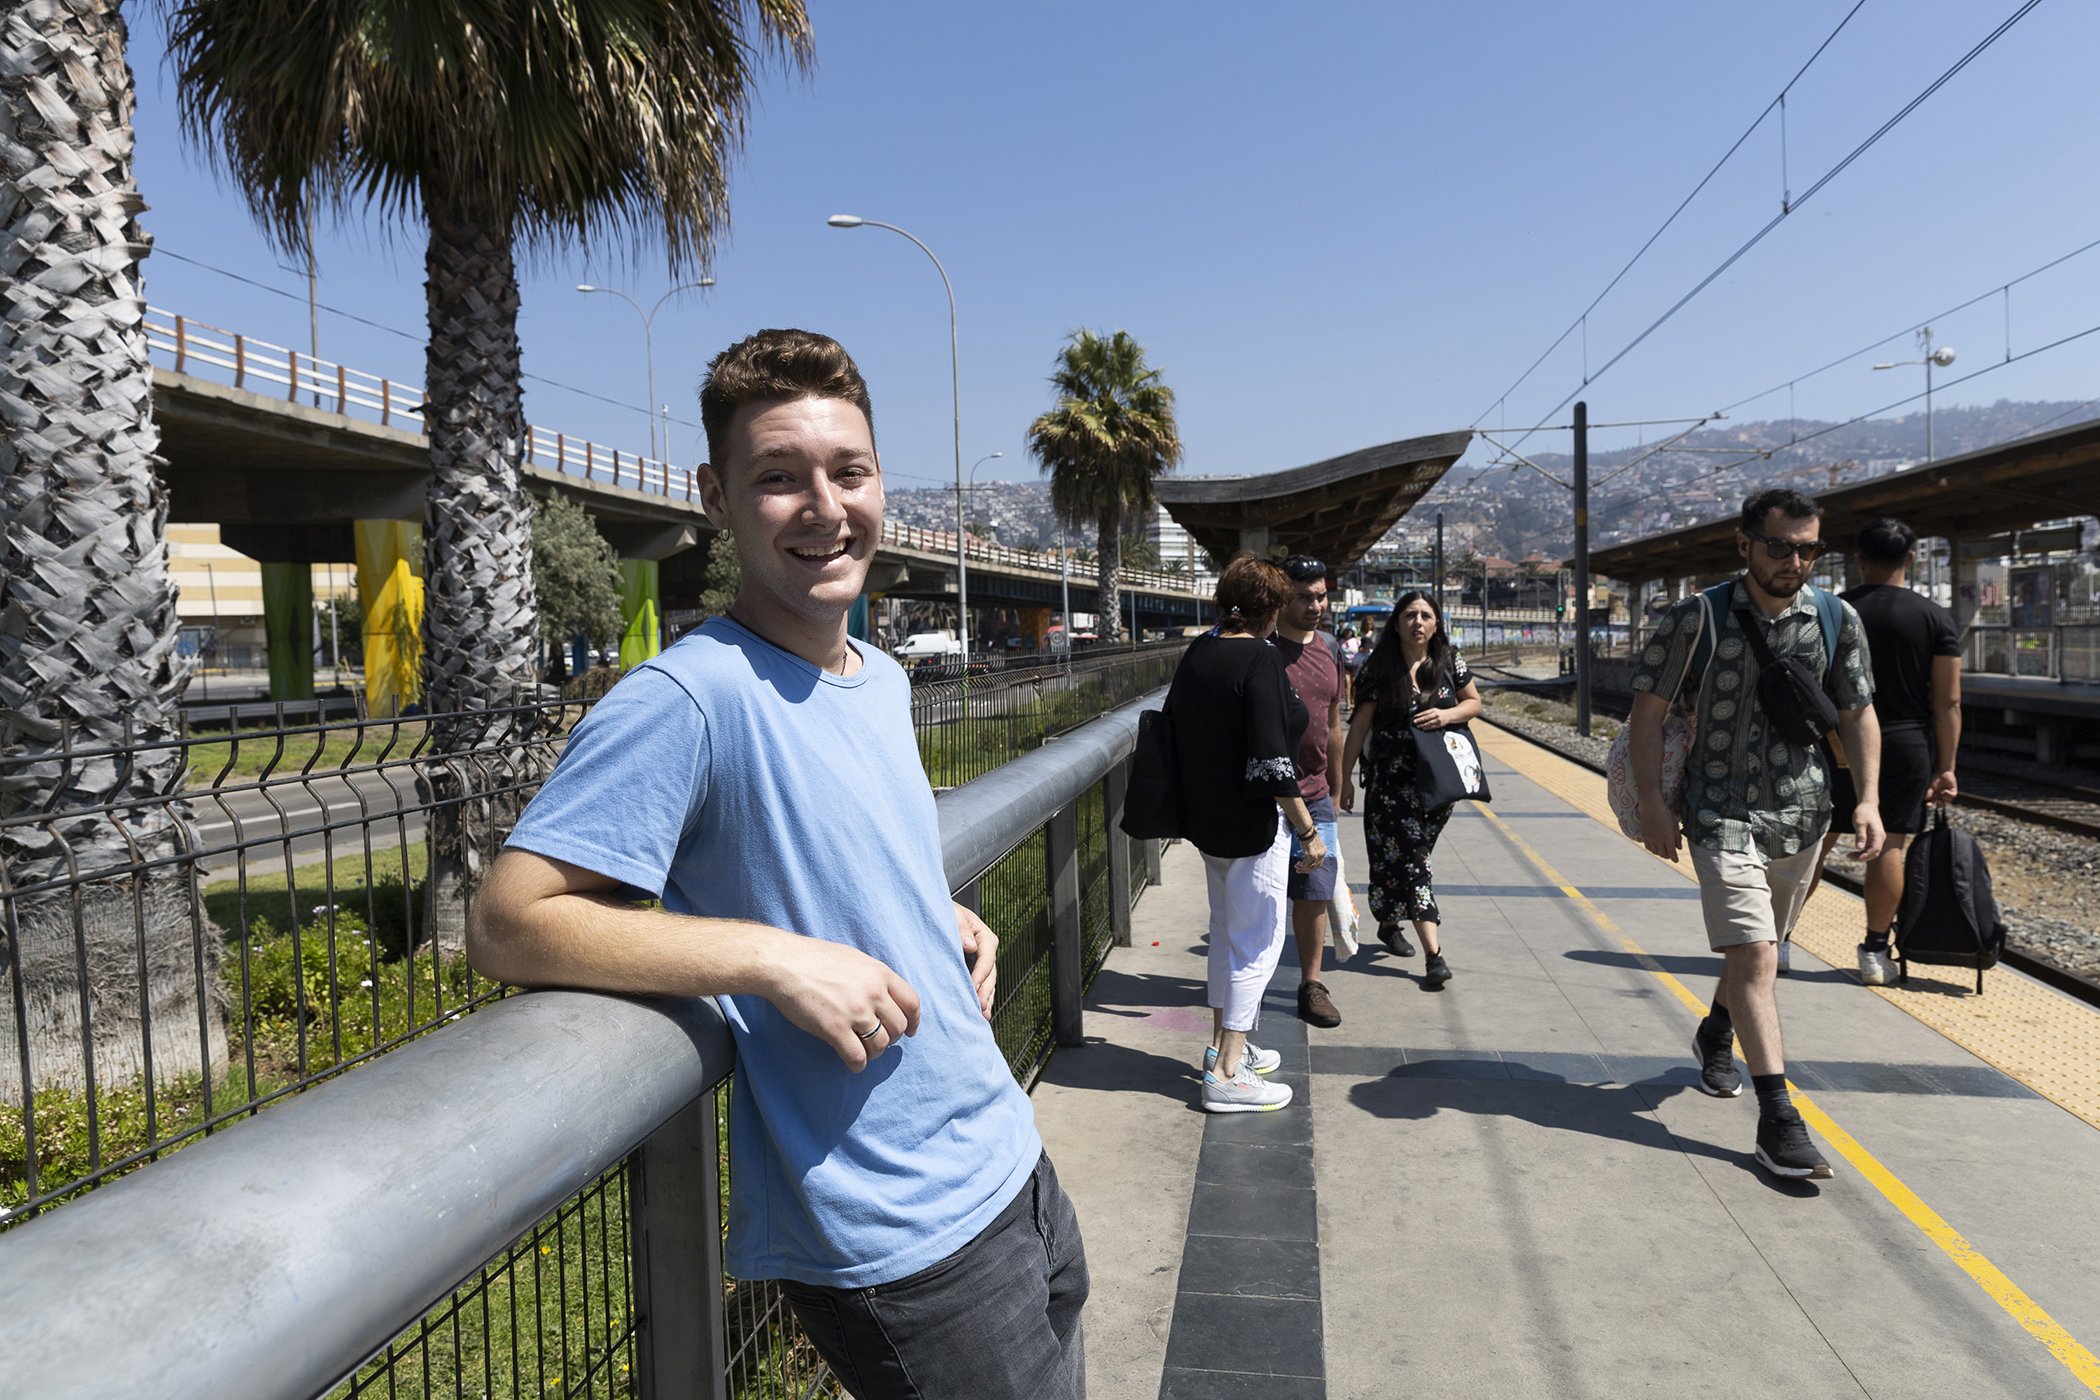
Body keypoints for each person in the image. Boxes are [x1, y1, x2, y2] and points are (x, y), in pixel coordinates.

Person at [466, 329, 1088, 1399]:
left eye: (849, 471)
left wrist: (922, 913)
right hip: (900, 1235)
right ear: (715, 495)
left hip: (1011, 1162)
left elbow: (825, 844)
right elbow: (507, 920)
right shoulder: (687, 699)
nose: (824, 506)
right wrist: (768, 957)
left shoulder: (880, 678)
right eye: (778, 477)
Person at [1628, 487, 1884, 1182]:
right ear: (1744, 544)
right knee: (1758, 959)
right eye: (1780, 546)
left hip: (1804, 816)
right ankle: (1779, 1118)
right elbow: (1647, 713)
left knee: (1757, 955)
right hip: (1719, 813)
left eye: (1808, 549)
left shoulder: (1836, 618)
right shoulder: (1695, 619)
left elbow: (1859, 713)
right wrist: (1653, 802)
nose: (1794, 561)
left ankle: (1716, 1032)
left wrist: (1867, 801)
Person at [1166, 553, 1326, 1111]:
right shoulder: (1259, 659)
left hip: (1208, 824)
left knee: (1225, 934)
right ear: (1271, 609)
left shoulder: (1199, 652)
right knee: (1257, 943)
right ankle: (1229, 1075)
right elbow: (1273, 757)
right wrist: (1307, 831)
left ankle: (1220, 1050)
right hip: (1254, 824)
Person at [1808, 516, 1961, 985]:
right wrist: (1947, 767)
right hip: (1904, 742)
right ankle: (1875, 952)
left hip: (1834, 738)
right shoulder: (1934, 617)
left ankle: (1779, 938)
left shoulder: (1830, 609)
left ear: (1860, 561)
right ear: (1910, 560)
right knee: (1888, 842)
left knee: (1812, 842)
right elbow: (1948, 701)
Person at [1337, 590, 1481, 989]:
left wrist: (1448, 713)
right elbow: (1360, 727)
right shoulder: (1378, 668)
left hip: (1437, 784)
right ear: (1397, 623)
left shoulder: (1450, 662)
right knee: (1416, 862)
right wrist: (1344, 779)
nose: (1418, 622)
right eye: (1410, 615)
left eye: (1426, 616)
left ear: (1436, 624)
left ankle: (1386, 920)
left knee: (1398, 857)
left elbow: (1474, 703)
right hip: (1390, 782)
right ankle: (1435, 956)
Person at [1270, 556, 1349, 1027]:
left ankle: (1311, 984)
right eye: (1305, 596)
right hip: (1268, 794)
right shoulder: (1263, 650)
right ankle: (1252, 984)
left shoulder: (1330, 648)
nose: (1316, 604)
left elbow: (1334, 723)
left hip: (1317, 794)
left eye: (1321, 596)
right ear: (1283, 598)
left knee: (1315, 891)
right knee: (1265, 897)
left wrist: (1339, 788)